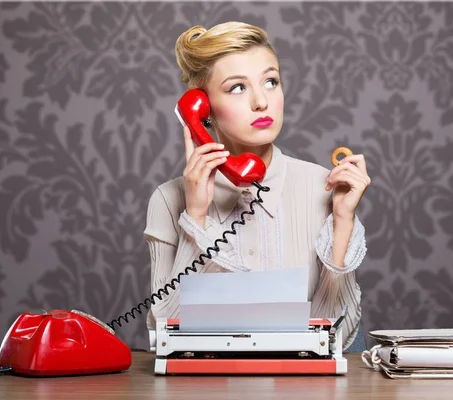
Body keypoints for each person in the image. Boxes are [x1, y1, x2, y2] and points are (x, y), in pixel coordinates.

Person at [144, 22, 371, 351]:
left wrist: (343, 222)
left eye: (271, 81)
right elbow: (165, 333)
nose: (261, 102)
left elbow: (339, 337)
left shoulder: (323, 186)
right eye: (237, 87)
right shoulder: (168, 200)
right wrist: (197, 215)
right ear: (202, 108)